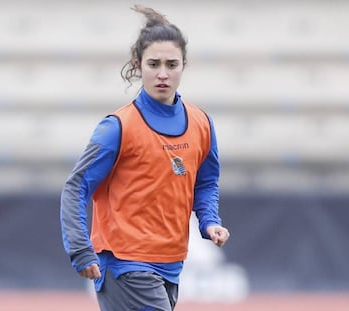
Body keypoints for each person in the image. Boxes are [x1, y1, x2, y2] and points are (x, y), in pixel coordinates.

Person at [60, 4, 230, 311]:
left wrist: (209, 221)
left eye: (171, 64)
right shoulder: (117, 127)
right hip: (124, 264)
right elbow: (76, 187)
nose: (162, 73)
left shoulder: (201, 123)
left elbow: (205, 182)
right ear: (138, 65)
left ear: (184, 65)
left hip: (171, 264)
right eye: (154, 64)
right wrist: (79, 249)